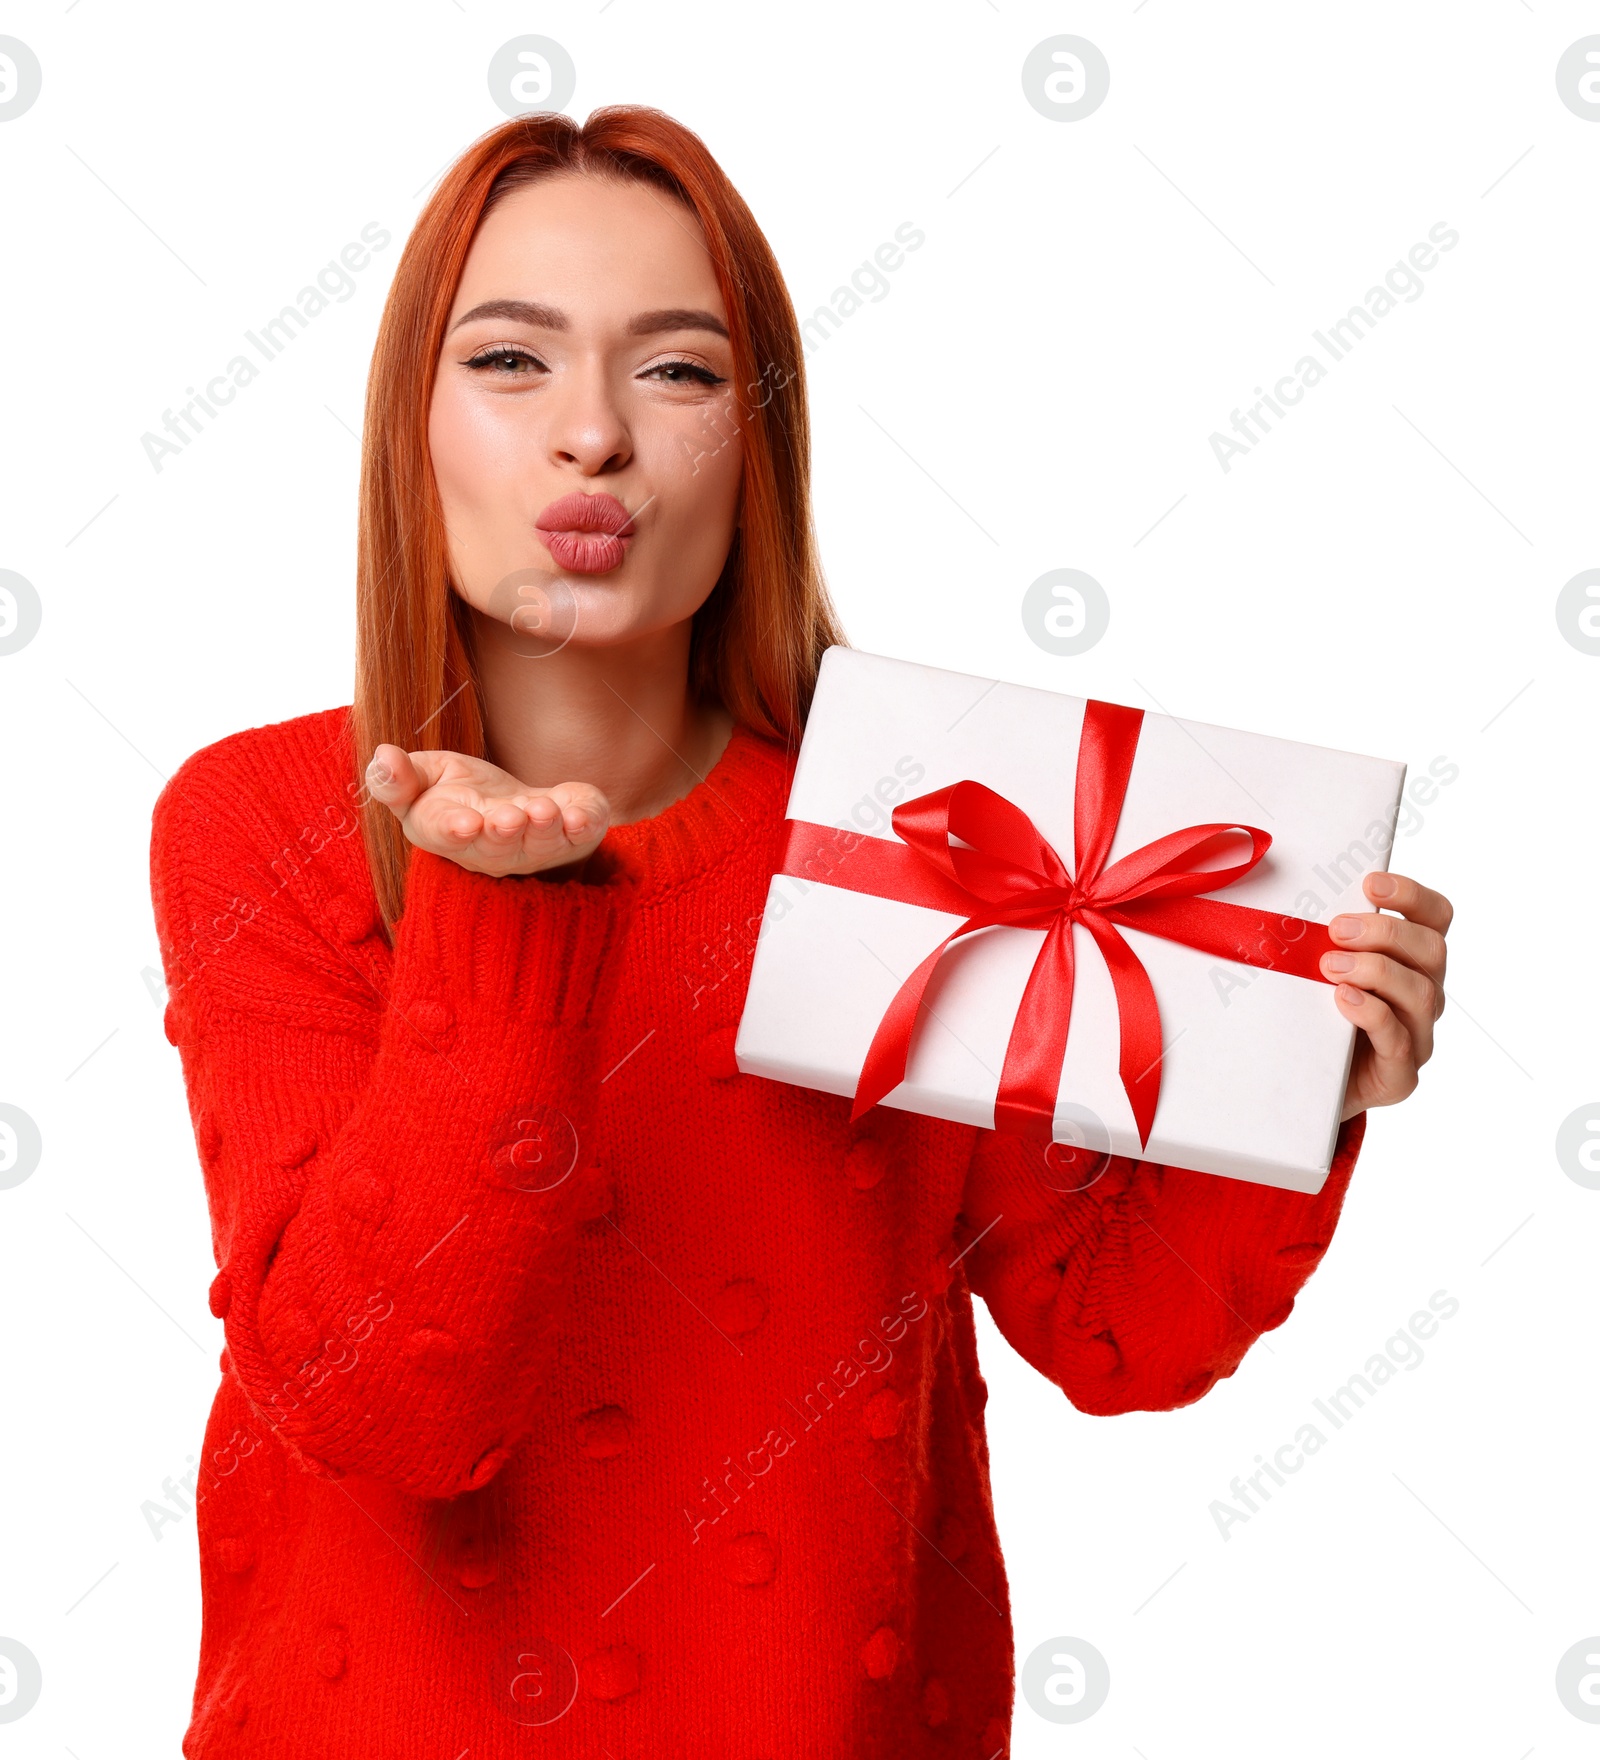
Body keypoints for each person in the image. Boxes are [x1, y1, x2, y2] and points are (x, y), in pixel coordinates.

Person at [149, 105, 1453, 1759]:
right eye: (511, 362)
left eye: (679, 371)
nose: (594, 439)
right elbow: (388, 1407)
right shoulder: (263, 824)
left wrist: (1301, 1083)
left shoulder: (907, 839)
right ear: (411, 422)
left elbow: (1123, 1326)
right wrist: (505, 920)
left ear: (759, 439)